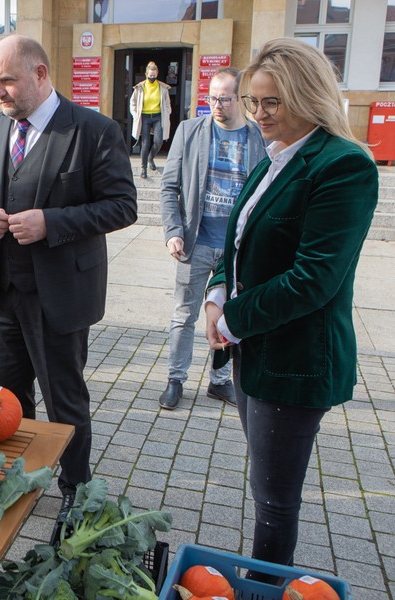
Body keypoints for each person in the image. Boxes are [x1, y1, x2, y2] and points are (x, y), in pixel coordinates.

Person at [204, 38, 378, 579]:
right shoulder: (277, 156)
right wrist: (215, 295)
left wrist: (231, 320)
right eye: (254, 102)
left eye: (271, 102)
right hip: (253, 353)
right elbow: (237, 244)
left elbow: (313, 279)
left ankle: (264, 586)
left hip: (297, 361)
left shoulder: (343, 165)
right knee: (264, 484)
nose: (258, 115)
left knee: (276, 501)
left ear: (308, 95)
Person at [0, 34, 137, 542]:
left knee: (65, 402)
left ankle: (75, 494)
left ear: (40, 74)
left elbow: (123, 205)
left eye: (8, 80)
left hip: (60, 297)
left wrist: (52, 222)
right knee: (7, 400)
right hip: (2, 294)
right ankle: (19, 481)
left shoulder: (93, 130)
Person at [157, 67, 266, 411]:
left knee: (228, 315)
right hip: (196, 242)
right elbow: (169, 187)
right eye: (212, 98)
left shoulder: (257, 138)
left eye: (224, 98)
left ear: (240, 98)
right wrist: (173, 232)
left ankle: (220, 382)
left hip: (238, 248)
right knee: (183, 315)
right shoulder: (190, 132)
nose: (217, 105)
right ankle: (176, 379)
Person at [129, 61, 171, 179]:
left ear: (157, 74)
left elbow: (167, 103)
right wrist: (135, 114)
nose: (152, 77)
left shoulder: (162, 87)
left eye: (154, 75)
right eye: (150, 75)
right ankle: (143, 168)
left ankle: (151, 157)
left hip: (158, 116)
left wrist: (167, 112)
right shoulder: (140, 87)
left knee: (158, 141)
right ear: (146, 74)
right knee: (145, 142)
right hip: (145, 116)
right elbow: (132, 102)